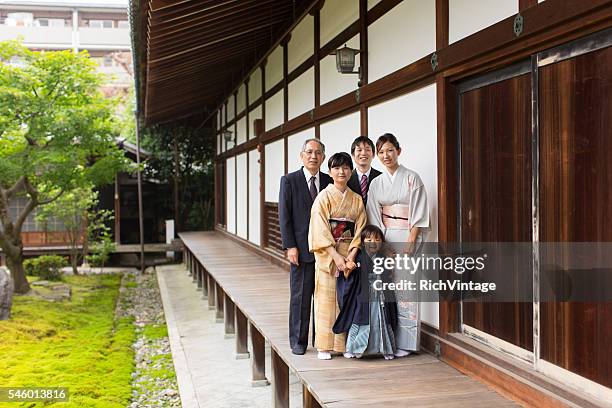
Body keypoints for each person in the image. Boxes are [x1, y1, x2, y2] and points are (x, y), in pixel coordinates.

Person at [366, 133, 430, 357]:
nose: (386, 155)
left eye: (390, 150)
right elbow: (374, 215)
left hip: (407, 238)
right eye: (381, 152)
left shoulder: (413, 178)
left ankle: (408, 342)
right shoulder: (376, 183)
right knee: (388, 290)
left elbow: (420, 213)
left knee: (407, 289)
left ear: (398, 151)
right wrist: (383, 246)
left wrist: (411, 241)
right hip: (385, 239)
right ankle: (389, 338)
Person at [308, 152, 367, 360]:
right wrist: (335, 256)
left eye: (345, 168)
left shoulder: (357, 199)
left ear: (351, 171)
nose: (341, 172)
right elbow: (319, 229)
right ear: (330, 171)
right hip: (329, 254)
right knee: (326, 299)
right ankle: (324, 345)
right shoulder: (323, 197)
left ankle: (345, 345)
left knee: (347, 299)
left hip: (349, 254)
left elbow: (360, 229)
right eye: (336, 168)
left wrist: (351, 256)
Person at [279, 138, 332, 355]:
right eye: (309, 152)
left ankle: (321, 341)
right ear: (301, 155)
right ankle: (298, 342)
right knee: (300, 297)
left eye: (318, 153)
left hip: (325, 251)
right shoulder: (289, 180)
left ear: (323, 157)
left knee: (324, 299)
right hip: (300, 249)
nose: (313, 156)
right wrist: (290, 245)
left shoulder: (329, 181)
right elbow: (285, 216)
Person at [333, 225, 397, 360]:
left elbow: (388, 276)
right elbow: (347, 275)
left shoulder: (383, 257)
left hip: (379, 296)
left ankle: (386, 349)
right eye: (368, 240)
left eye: (377, 239)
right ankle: (352, 348)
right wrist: (349, 269)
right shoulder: (359, 257)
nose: (373, 243)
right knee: (358, 321)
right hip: (363, 296)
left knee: (382, 321)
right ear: (362, 242)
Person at [347, 136, 381, 204]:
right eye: (359, 150)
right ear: (353, 155)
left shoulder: (381, 178)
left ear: (373, 154)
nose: (363, 153)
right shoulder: (346, 179)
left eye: (367, 150)